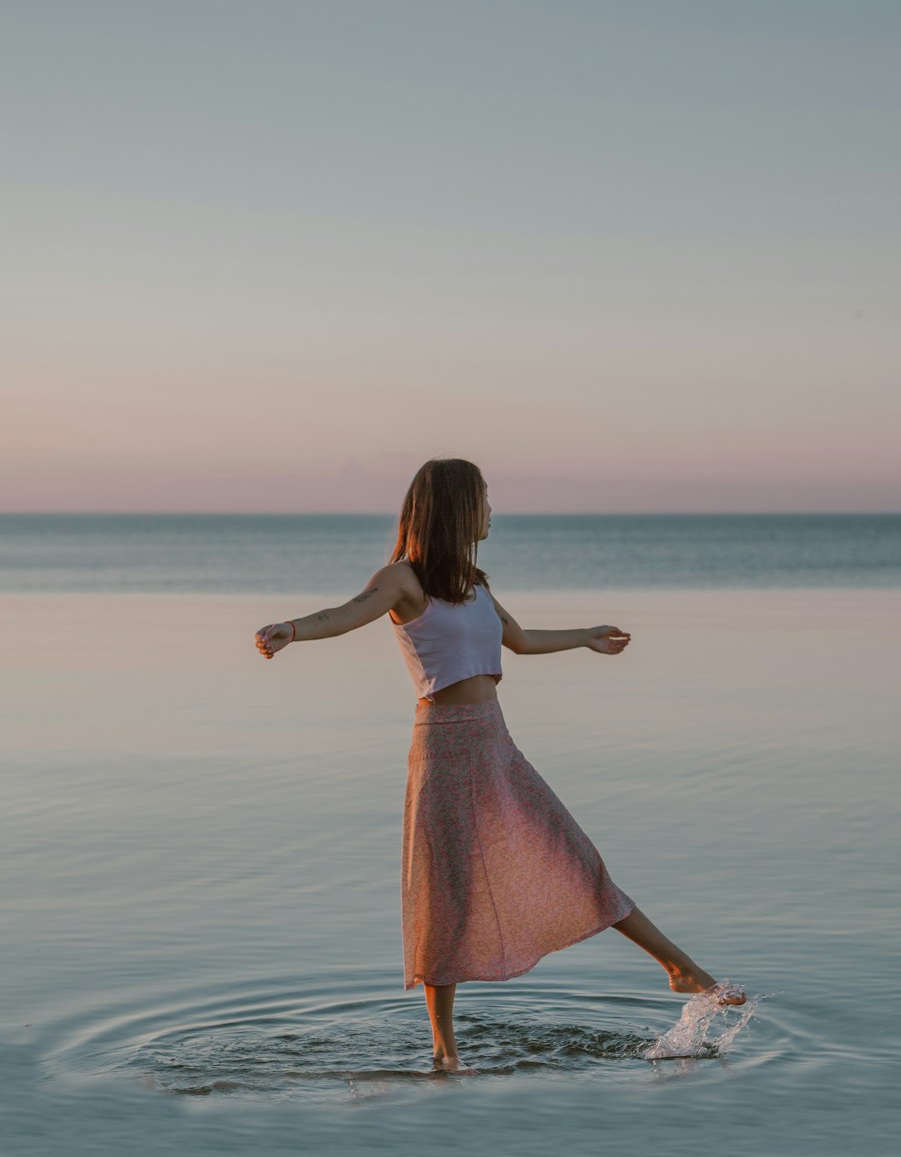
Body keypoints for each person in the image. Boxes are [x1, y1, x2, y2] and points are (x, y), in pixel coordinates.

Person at [254, 457, 745, 1072]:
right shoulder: (402, 579)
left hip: (495, 742)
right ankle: (444, 1052)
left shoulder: (474, 583)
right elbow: (347, 613)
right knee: (447, 895)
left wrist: (586, 636)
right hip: (445, 748)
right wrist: (291, 630)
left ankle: (679, 969)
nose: (492, 510)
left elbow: (518, 640)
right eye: (484, 499)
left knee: (572, 854)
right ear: (457, 507)